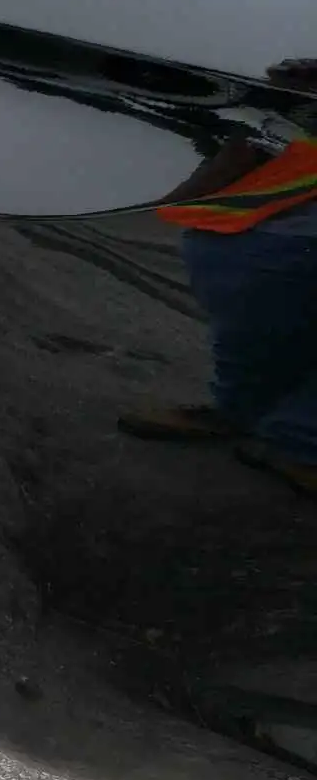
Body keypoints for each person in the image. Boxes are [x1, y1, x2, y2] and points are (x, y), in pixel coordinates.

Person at [118, 59, 317, 497]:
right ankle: (248, 415)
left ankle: (300, 445)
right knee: (259, 317)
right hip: (270, 227)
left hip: (278, 225)